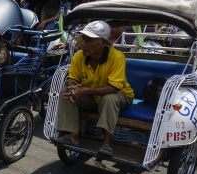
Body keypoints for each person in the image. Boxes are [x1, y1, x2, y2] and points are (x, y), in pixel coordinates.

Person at [50, 20, 134, 157]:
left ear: (103, 42)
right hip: (92, 96)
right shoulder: (79, 56)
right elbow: (72, 78)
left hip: (120, 95)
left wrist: (84, 90)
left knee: (109, 99)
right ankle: (72, 136)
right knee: (66, 92)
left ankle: (106, 143)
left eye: (89, 41)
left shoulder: (117, 57)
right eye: (83, 39)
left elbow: (114, 88)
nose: (83, 44)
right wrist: (72, 87)